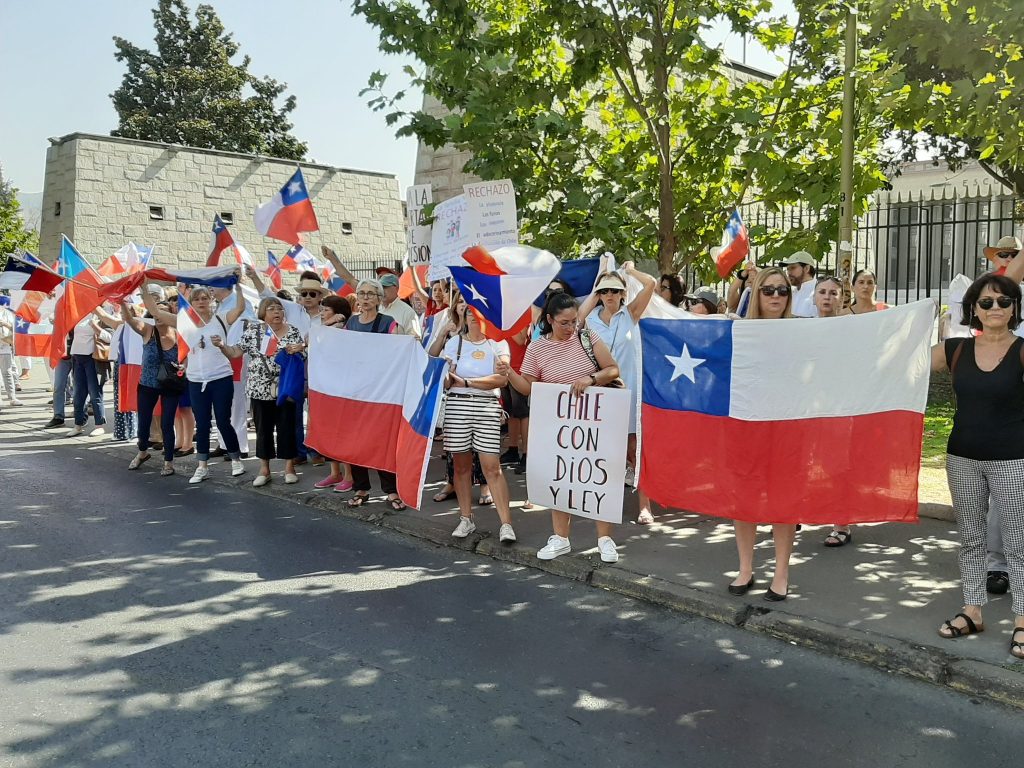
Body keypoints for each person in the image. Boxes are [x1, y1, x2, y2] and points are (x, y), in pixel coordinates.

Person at [930, 272, 1024, 658]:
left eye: (1003, 301)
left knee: (1018, 544)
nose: (995, 308)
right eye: (986, 302)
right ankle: (973, 611)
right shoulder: (954, 350)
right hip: (962, 458)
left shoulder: (1022, 350)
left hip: (1013, 460)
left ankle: (1022, 621)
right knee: (971, 540)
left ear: (1014, 308)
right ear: (974, 309)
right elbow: (897, 359)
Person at [502, 291, 622, 562]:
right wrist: (509, 373)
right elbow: (528, 386)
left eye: (574, 321)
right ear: (549, 320)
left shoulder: (587, 337)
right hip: (558, 427)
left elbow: (613, 370)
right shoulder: (537, 347)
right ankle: (561, 538)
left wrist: (590, 378)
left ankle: (605, 540)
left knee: (597, 478)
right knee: (562, 478)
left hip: (594, 423)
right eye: (564, 322)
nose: (571, 327)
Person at [728, 266, 797, 600]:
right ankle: (745, 568)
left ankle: (781, 573)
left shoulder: (805, 331)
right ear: (756, 293)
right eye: (768, 290)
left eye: (782, 290)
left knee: (783, 502)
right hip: (747, 426)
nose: (775, 297)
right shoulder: (741, 331)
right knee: (745, 501)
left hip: (788, 429)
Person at [144, 286, 245, 484]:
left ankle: (235, 459)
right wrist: (143, 286)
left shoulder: (221, 318)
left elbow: (240, 308)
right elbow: (155, 311)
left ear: (211, 299)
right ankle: (202, 466)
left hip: (221, 377)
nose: (201, 301)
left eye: (204, 298)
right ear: (191, 302)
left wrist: (239, 285)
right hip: (196, 380)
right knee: (203, 423)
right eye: (196, 298)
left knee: (223, 421)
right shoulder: (184, 322)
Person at [579, 263, 656, 523]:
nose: (609, 295)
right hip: (600, 392)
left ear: (623, 293)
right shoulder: (588, 320)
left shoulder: (630, 313)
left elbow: (651, 285)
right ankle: (601, 502)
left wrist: (630, 271)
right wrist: (597, 284)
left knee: (634, 450)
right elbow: (576, 318)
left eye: (614, 290)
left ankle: (644, 506)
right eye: (604, 291)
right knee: (602, 449)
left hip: (629, 390)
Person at [440, 297, 516, 542]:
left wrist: (467, 382)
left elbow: (501, 380)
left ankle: (506, 524)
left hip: (486, 407)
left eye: (480, 312)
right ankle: (466, 518)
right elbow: (446, 381)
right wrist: (446, 375)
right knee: (461, 467)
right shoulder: (454, 343)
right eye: (470, 311)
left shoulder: (498, 343)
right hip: (457, 407)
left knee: (492, 467)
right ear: (464, 315)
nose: (474, 316)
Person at [216, 297, 306, 487]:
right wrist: (222, 346)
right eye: (271, 309)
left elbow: (303, 355)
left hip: (286, 387)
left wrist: (301, 348)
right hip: (259, 389)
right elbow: (235, 353)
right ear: (263, 313)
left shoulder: (293, 331)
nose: (276, 312)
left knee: (287, 428)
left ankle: (289, 468)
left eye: (279, 308)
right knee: (263, 430)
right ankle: (265, 470)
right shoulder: (254, 332)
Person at [345, 278, 405, 510]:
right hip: (357, 392)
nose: (366, 297)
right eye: (362, 293)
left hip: (381, 392)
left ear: (380, 299)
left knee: (382, 441)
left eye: (372, 293)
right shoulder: (350, 323)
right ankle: (361, 488)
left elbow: (398, 351)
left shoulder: (389, 323)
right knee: (357, 440)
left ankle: (391, 490)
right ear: (357, 298)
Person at [120, 293, 180, 476]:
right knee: (144, 423)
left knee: (167, 424)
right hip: (147, 385)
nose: (159, 316)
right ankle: (142, 452)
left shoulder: (179, 335)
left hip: (171, 386)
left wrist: (184, 366)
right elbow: (129, 319)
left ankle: (168, 462)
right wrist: (122, 303)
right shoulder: (148, 330)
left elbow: (189, 356)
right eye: (156, 313)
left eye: (163, 312)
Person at [312, 295, 355, 492]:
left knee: (343, 431)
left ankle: (348, 475)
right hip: (325, 385)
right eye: (321, 309)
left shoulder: (343, 330)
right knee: (329, 430)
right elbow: (309, 339)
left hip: (341, 387)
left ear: (338, 313)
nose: (322, 313)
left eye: (326, 310)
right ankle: (334, 472)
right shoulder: (323, 327)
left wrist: (330, 324)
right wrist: (326, 323)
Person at [66, 311, 109, 437]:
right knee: (78, 394)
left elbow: (109, 337)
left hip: (93, 359)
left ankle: (99, 425)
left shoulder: (102, 315)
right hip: (77, 358)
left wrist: (95, 325)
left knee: (95, 392)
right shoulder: (77, 315)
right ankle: (78, 425)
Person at [779, 251, 818, 318]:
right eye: (788, 269)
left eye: (793, 268)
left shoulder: (820, 291)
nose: (789, 273)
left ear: (806, 268)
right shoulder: (791, 292)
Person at [0, 299, 21, 409]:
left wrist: (5, 324)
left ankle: (12, 397)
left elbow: (16, 329)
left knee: (7, 372)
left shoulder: (8, 313)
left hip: (5, 345)